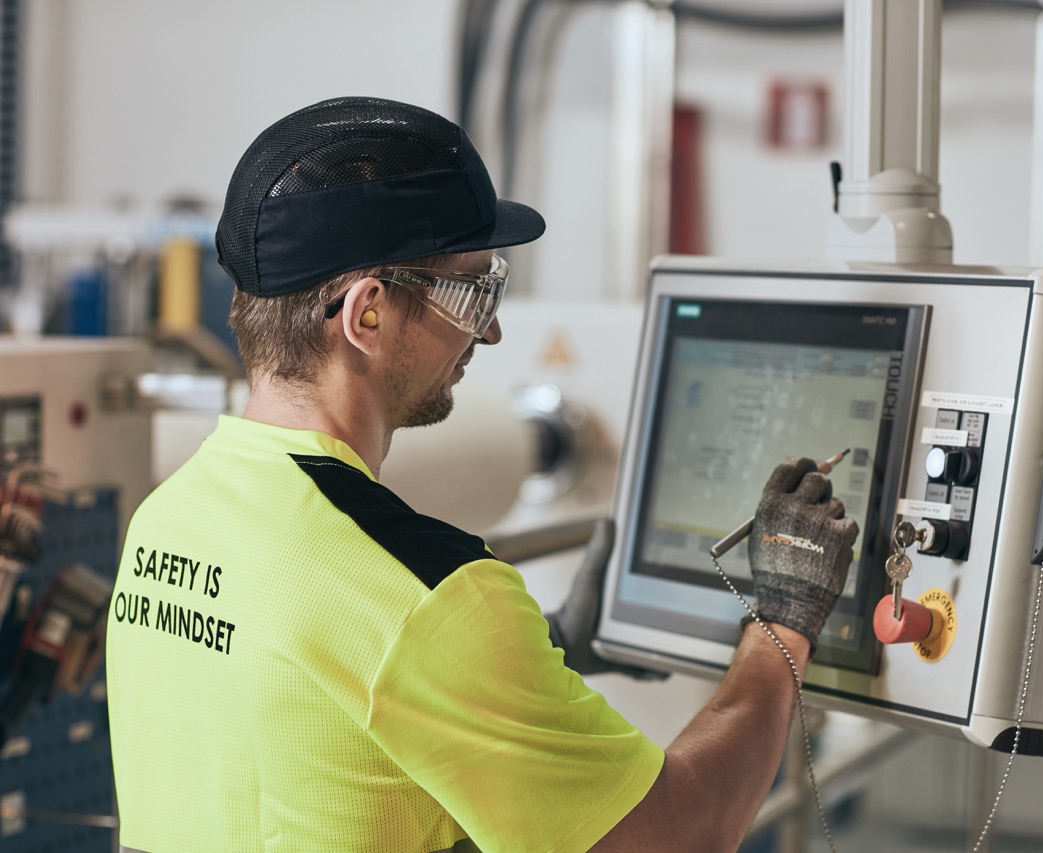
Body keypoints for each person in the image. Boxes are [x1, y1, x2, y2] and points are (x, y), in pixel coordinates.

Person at [105, 96, 859, 852]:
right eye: (471, 290)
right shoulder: (434, 596)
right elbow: (679, 836)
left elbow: (331, 726)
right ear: (367, 314)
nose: (491, 330)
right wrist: (784, 622)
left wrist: (556, 643)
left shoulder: (163, 520)